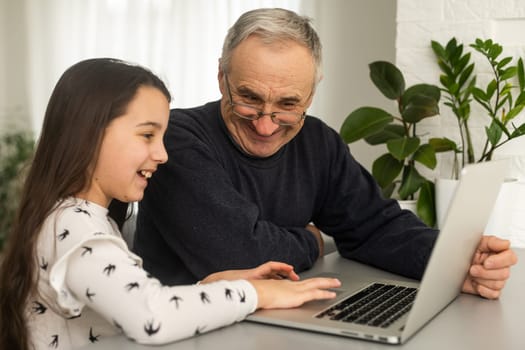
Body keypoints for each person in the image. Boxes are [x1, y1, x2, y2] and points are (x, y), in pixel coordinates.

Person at [134, 8, 517, 298]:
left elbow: (374, 227)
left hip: (274, 325)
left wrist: (455, 259)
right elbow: (240, 257)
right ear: (222, 79)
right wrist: (314, 240)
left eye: (288, 105)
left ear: (310, 96)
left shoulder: (318, 141)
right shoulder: (174, 139)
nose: (265, 125)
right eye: (249, 99)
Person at [0, 58, 342, 350]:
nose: (162, 154)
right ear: (90, 133)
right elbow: (152, 316)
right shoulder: (73, 224)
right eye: (148, 135)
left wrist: (211, 288)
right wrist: (254, 293)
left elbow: (122, 309)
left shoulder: (79, 218)